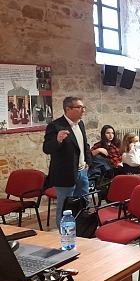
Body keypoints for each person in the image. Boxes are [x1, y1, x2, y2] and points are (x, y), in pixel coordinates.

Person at [43, 97, 91, 228]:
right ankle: (65, 235)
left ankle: (83, 230)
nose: (83, 110)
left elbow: (84, 145)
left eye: (83, 107)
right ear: (68, 109)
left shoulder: (80, 124)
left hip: (82, 172)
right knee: (65, 207)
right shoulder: (55, 126)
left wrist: (88, 161)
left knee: (84, 203)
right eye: (79, 107)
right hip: (65, 174)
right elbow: (47, 148)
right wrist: (57, 140)